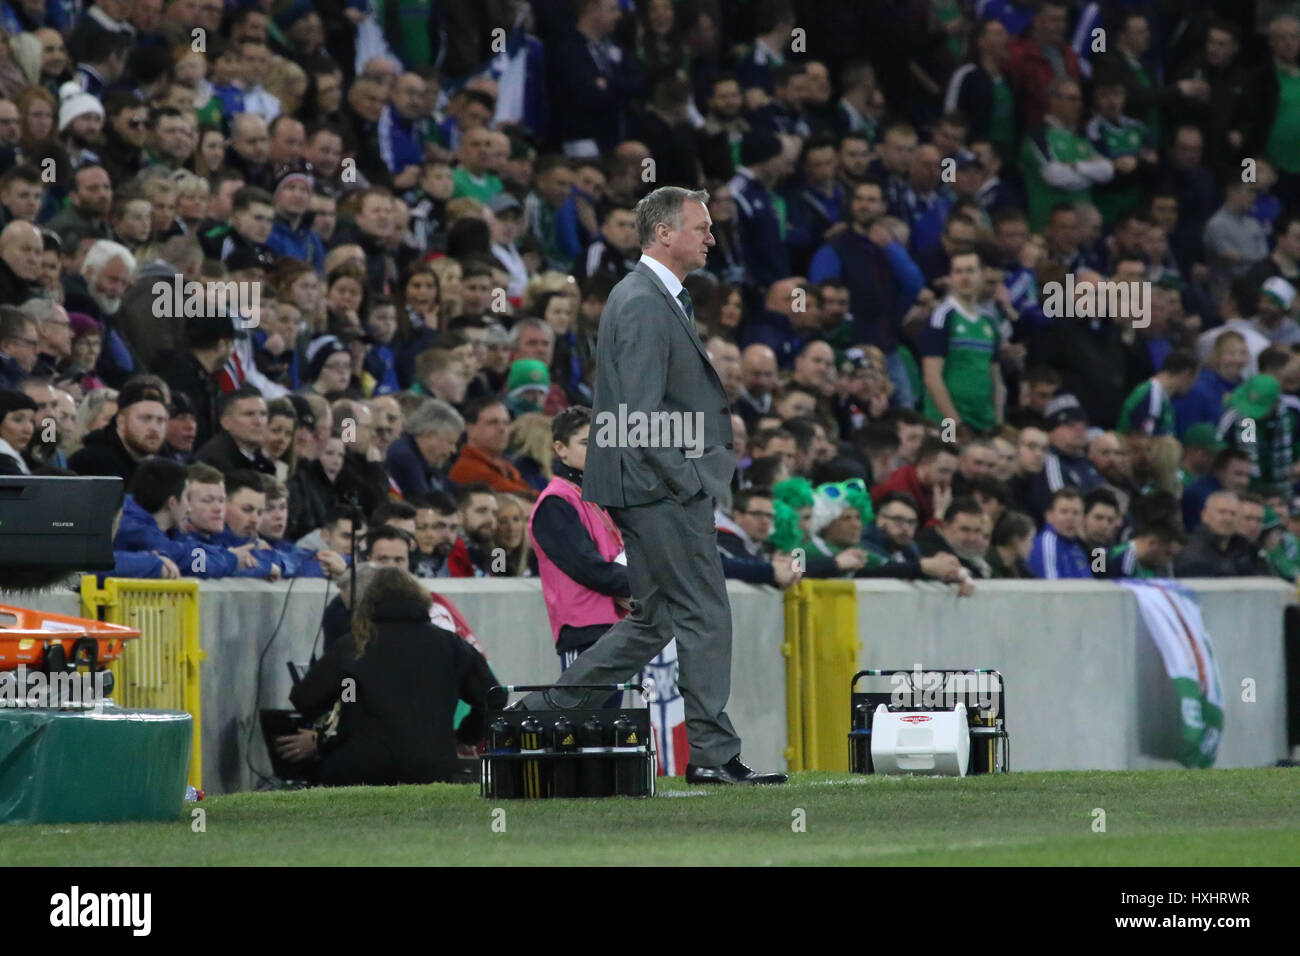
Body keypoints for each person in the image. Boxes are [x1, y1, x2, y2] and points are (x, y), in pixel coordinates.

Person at [516, 185, 785, 786]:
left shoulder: (649, 297)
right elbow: (637, 412)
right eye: (702, 227)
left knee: (654, 620)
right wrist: (687, 478)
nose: (712, 238)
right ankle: (714, 758)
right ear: (665, 233)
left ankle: (534, 718)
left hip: (651, 484)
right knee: (706, 613)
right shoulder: (641, 300)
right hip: (660, 488)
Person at [285, 565, 497, 786]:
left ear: (367, 603)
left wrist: (329, 731)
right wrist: (467, 734)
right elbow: (494, 696)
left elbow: (304, 699)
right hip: (433, 768)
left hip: (361, 769)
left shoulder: (354, 645)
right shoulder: (451, 644)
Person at [1027, 487, 1091, 579]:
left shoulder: (1079, 546)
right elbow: (1052, 589)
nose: (1070, 518)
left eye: (1076, 513)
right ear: (1049, 516)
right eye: (1064, 512)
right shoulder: (1047, 545)